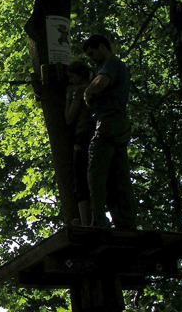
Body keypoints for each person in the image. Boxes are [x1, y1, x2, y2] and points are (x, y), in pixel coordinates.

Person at [83, 34, 137, 229]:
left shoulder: (111, 64)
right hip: (120, 126)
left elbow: (101, 82)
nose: (91, 58)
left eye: (92, 53)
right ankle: (126, 221)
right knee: (119, 175)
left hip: (108, 124)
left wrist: (88, 92)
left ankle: (99, 220)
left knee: (96, 172)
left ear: (102, 48)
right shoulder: (119, 66)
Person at [65, 61, 95, 226]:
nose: (70, 81)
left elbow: (69, 118)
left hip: (82, 135)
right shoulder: (93, 87)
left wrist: (69, 97)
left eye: (72, 77)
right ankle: (95, 218)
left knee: (80, 178)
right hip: (95, 135)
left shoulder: (78, 90)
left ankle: (85, 222)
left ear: (79, 76)